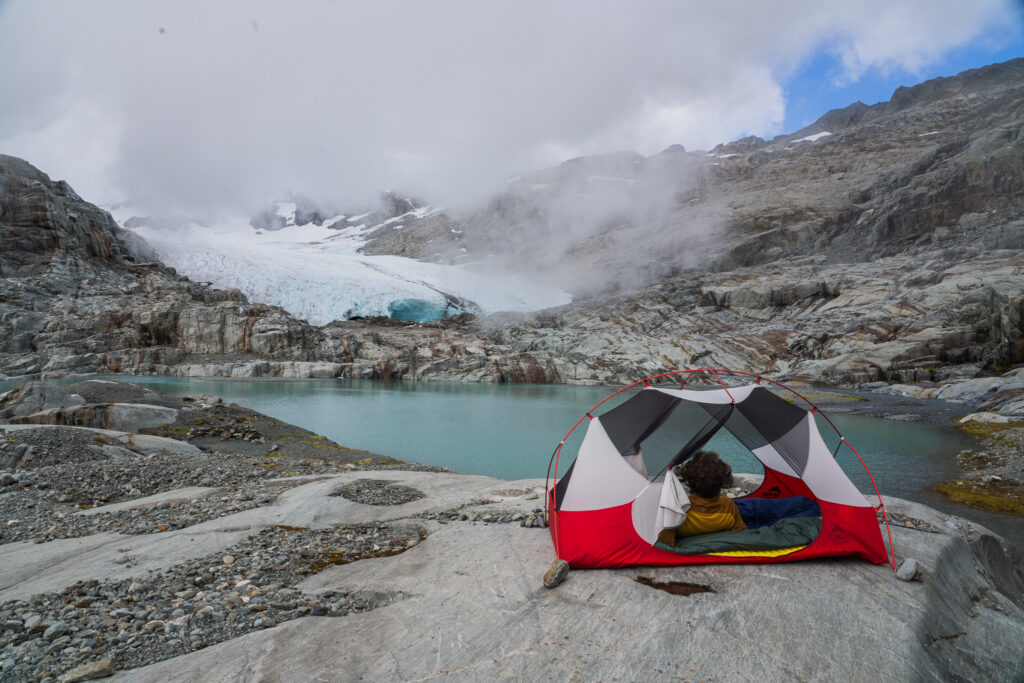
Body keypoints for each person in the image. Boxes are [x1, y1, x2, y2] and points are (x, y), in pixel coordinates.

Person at [658, 450, 746, 545]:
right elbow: (742, 535)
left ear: (689, 482)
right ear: (721, 482)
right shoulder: (729, 506)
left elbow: (665, 541)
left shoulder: (679, 508)